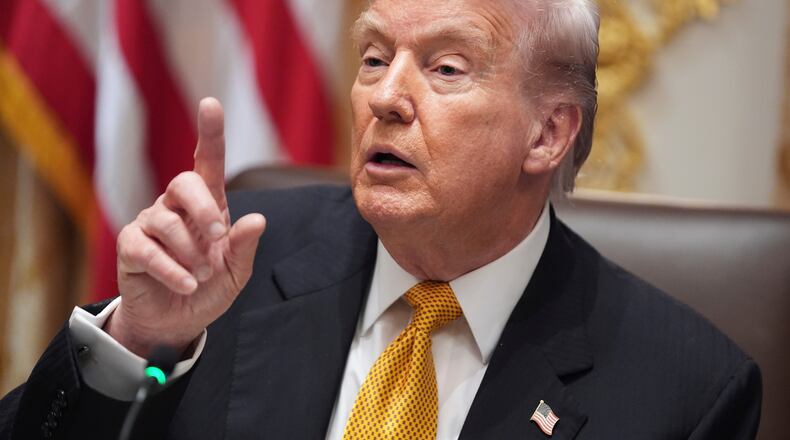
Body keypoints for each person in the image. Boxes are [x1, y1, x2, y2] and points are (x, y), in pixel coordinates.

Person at [1, 0, 761, 439]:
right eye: (372, 58)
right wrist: (139, 341)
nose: (384, 98)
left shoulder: (689, 391)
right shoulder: (234, 262)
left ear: (548, 133)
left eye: (445, 68)